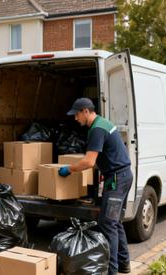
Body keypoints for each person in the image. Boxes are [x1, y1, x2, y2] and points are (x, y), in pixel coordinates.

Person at [59, 97, 133, 274]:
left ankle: (112, 270)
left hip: (117, 180)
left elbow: (89, 161)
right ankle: (124, 263)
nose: (75, 118)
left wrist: (69, 169)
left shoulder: (97, 129)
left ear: (85, 111)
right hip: (121, 177)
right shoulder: (101, 124)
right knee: (115, 222)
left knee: (107, 223)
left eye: (76, 115)